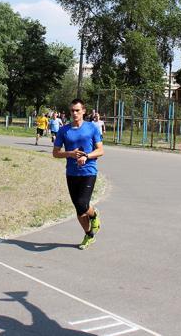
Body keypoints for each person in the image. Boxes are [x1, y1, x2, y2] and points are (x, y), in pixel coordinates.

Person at [53, 99, 104, 250]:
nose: (74, 113)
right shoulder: (64, 131)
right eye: (72, 111)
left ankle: (94, 215)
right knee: (79, 209)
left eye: (77, 110)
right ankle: (89, 234)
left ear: (83, 111)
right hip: (71, 173)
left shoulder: (92, 128)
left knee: (82, 203)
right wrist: (71, 153)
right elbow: (55, 153)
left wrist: (86, 156)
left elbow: (100, 150)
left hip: (89, 171)